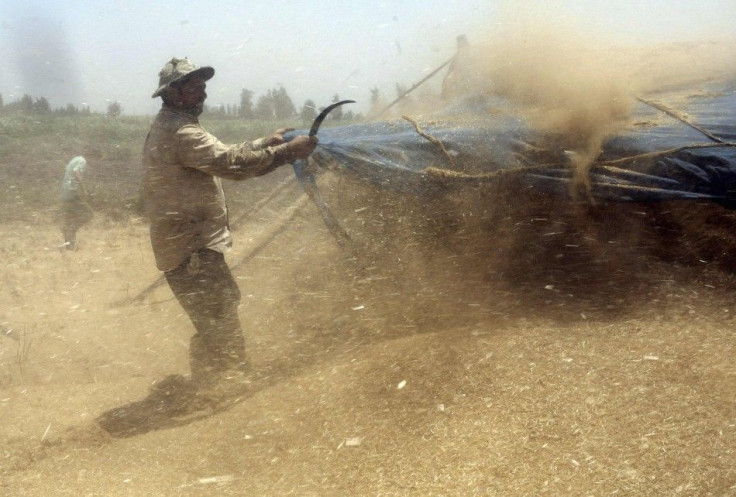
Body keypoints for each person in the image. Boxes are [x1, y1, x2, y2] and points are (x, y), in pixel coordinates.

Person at [141, 57, 317, 395]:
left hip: (186, 244)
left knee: (215, 313)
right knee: (218, 313)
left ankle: (211, 383)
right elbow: (231, 165)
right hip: (191, 246)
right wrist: (288, 153)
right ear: (174, 92)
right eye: (195, 85)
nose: (203, 90)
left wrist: (267, 142)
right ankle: (227, 386)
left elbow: (224, 154)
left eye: (203, 84)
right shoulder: (181, 132)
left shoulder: (177, 125)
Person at [59, 155, 93, 250]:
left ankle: (69, 246)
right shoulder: (82, 160)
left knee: (70, 218)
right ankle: (70, 230)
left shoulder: (76, 159)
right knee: (88, 214)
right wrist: (84, 188)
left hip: (66, 192)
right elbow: (75, 171)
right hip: (72, 192)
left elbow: (68, 171)